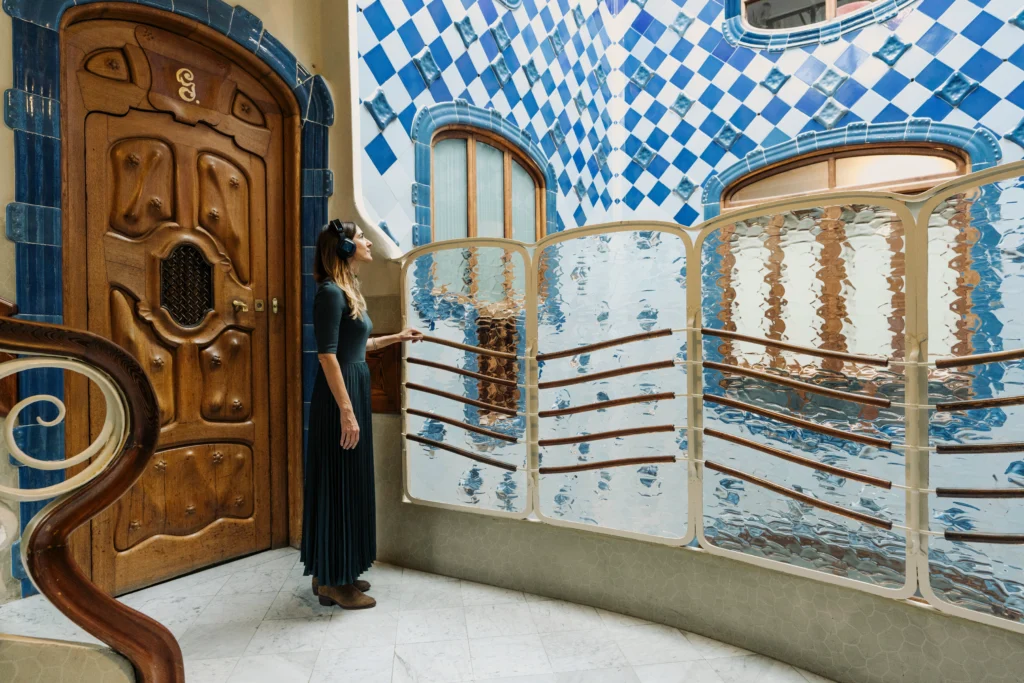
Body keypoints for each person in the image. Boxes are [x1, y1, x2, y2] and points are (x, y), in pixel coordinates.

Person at [301, 219, 422, 609]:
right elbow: (326, 355)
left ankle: (333, 573)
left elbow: (357, 345)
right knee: (338, 483)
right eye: (361, 239)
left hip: (350, 388)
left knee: (348, 481)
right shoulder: (329, 294)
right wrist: (347, 412)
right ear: (346, 249)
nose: (369, 242)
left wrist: (397, 338)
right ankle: (335, 583)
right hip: (340, 400)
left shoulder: (345, 292)